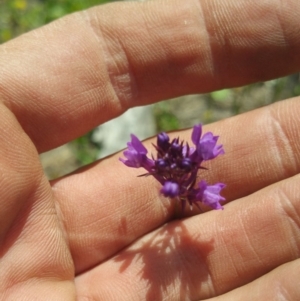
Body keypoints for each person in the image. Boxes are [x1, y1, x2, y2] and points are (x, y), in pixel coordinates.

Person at [0, 0, 299, 300]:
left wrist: (193, 187)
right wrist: (158, 169)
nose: (133, 157)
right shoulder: (158, 167)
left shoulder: (185, 167)